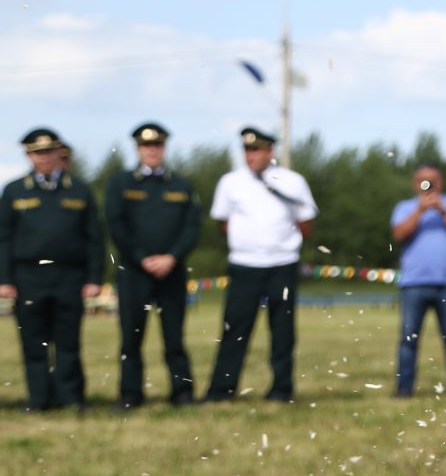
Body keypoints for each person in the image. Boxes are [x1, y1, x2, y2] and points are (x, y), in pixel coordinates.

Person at [205, 127, 315, 403]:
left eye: (256, 150)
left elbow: (306, 222)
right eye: (246, 150)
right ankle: (221, 390)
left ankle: (281, 389)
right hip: (244, 265)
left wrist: (280, 243)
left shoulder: (293, 181)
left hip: (282, 264)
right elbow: (222, 222)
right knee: (235, 330)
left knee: (283, 331)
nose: (250, 155)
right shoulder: (231, 182)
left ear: (270, 152)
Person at [0, 128, 103, 411]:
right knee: (34, 342)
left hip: (69, 276)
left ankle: (71, 399)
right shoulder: (14, 191)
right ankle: (39, 399)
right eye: (37, 153)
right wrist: (5, 279)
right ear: (28, 156)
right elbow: (4, 238)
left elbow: (94, 237)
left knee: (68, 341)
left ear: (59, 152)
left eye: (48, 152)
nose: (43, 158)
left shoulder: (79, 190)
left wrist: (94, 278)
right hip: (28, 276)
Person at [104, 122, 200, 408]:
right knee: (131, 337)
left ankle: (182, 393)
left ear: (164, 148)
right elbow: (116, 226)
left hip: (172, 271)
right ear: (138, 149)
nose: (152, 151)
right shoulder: (122, 183)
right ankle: (131, 394)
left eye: (157, 145)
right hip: (134, 272)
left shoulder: (181, 185)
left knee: (174, 337)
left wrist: (172, 256)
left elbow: (191, 227)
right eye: (147, 146)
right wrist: (142, 257)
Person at [390, 163, 446, 398]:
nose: (428, 185)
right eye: (423, 180)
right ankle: (404, 389)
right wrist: (420, 210)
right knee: (408, 339)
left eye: (433, 180)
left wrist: (442, 210)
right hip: (413, 283)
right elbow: (399, 234)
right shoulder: (405, 207)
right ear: (415, 183)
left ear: (441, 182)